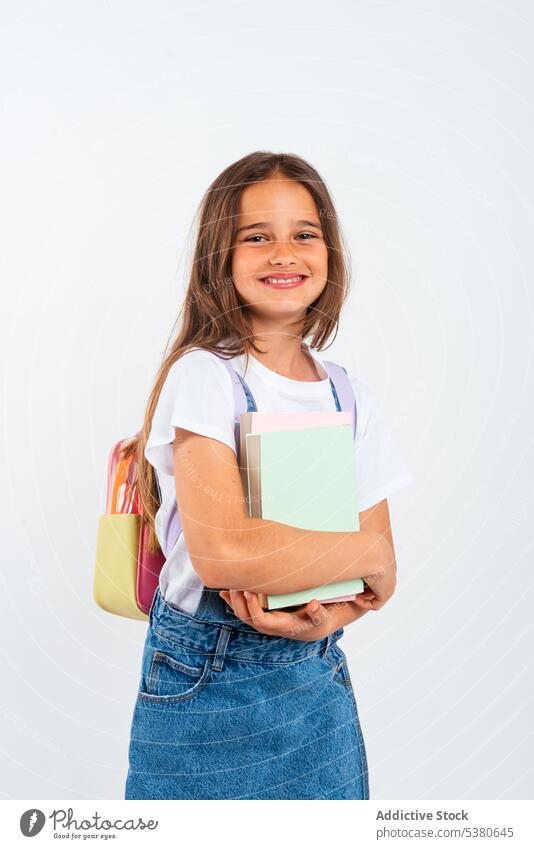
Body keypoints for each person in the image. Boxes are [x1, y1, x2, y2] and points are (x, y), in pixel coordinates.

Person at [124, 151, 413, 800]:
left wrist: (318, 617)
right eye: (257, 236)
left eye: (303, 234)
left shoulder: (349, 394)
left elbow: (371, 586)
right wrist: (365, 551)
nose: (283, 252)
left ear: (330, 254)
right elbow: (226, 554)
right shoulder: (205, 376)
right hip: (209, 682)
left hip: (316, 680)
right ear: (218, 259)